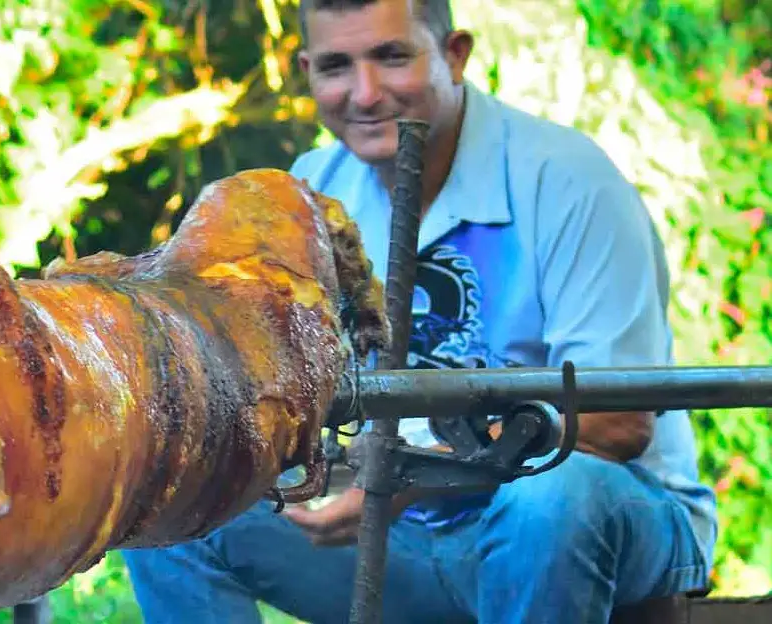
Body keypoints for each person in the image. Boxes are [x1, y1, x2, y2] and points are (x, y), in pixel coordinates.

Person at [119, 1, 717, 622]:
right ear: (306, 72)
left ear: (455, 55)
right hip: (407, 537)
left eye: (391, 56)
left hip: (592, 520)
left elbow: (616, 424)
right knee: (169, 502)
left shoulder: (569, 181)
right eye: (336, 66)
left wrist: (406, 480)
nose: (366, 93)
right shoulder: (308, 194)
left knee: (550, 502)